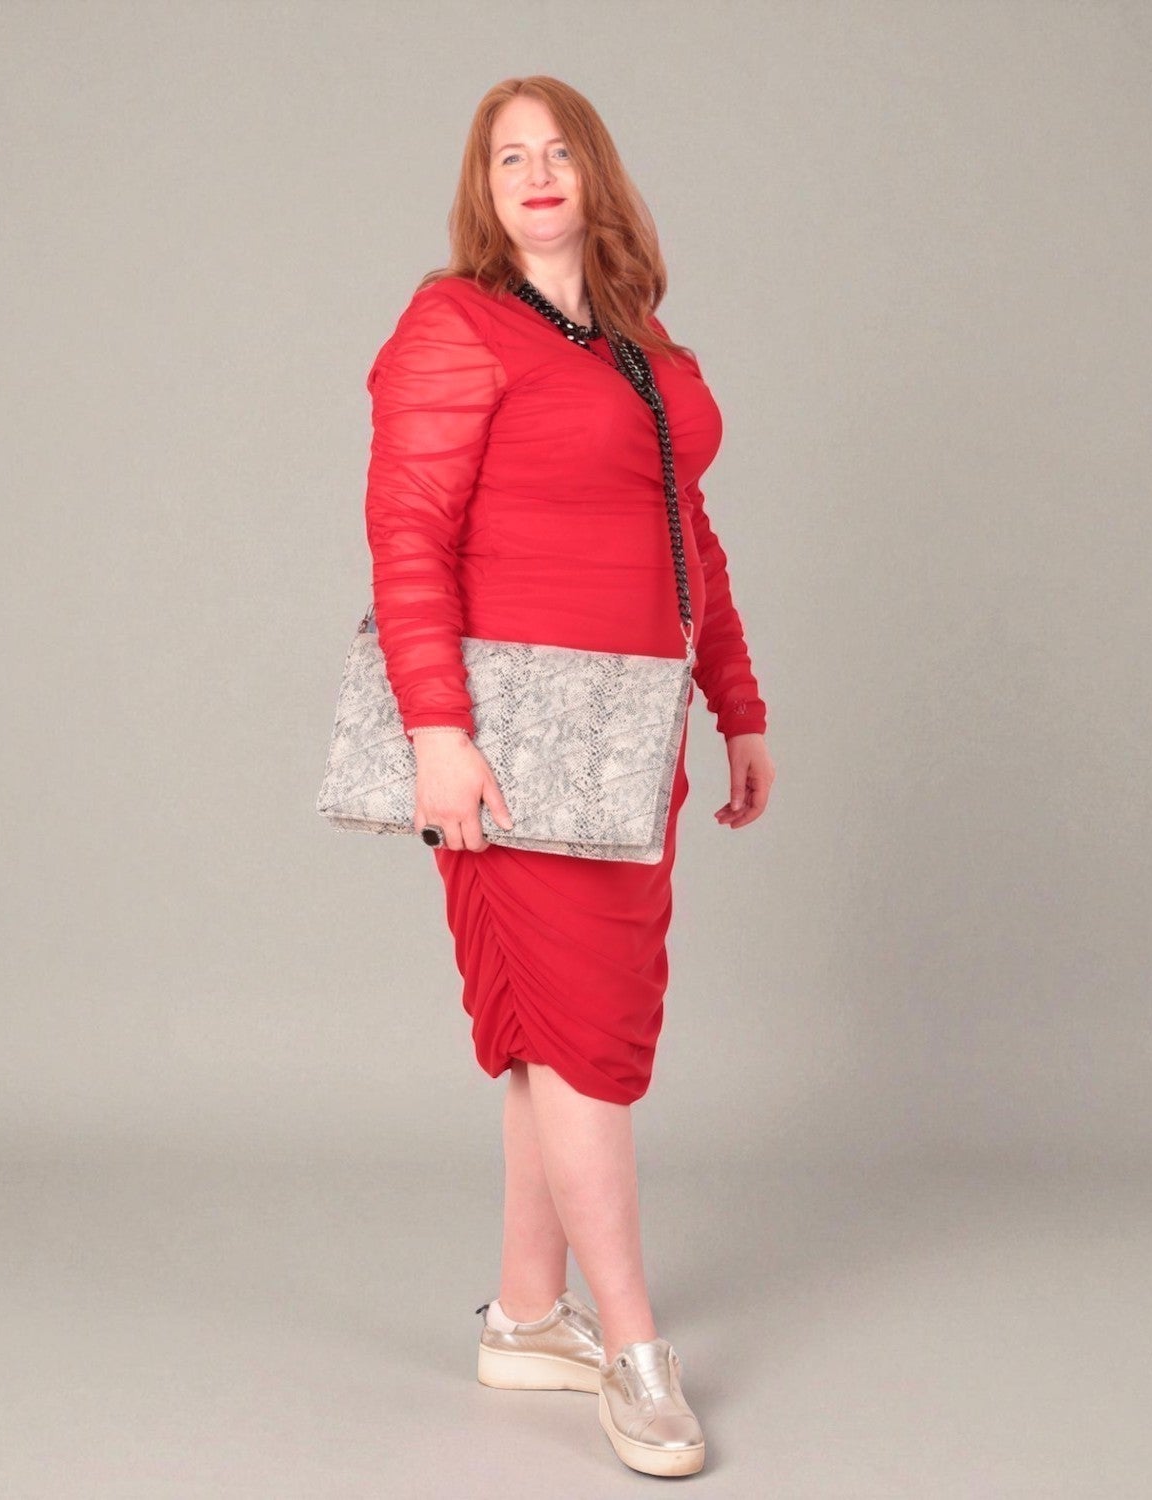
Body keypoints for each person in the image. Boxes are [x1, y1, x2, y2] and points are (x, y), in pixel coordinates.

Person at [362, 75, 776, 1478]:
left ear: (595, 175)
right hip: (510, 731)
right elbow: (407, 533)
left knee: (566, 1032)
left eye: (557, 152)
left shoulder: (646, 345)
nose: (535, 174)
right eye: (506, 157)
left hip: (633, 730)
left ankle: (529, 1317)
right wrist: (436, 727)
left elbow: (689, 536)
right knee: (588, 1040)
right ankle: (636, 1353)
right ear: (485, 190)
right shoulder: (452, 325)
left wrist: (737, 703)